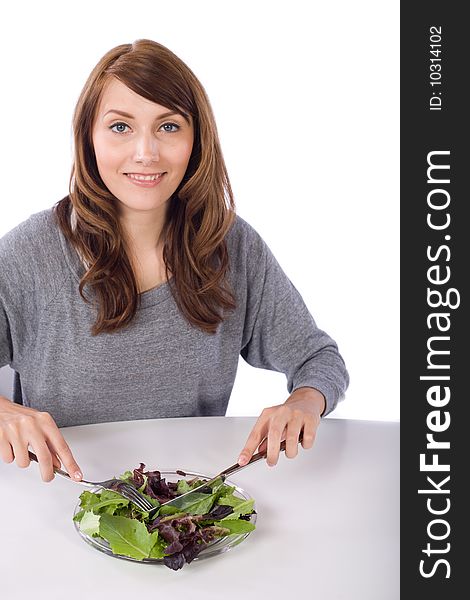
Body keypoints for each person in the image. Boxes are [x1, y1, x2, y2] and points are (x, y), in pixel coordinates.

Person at [0, 39, 349, 484]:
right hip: (58, 505)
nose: (146, 153)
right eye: (120, 127)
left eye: (168, 127)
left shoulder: (232, 247)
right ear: (89, 137)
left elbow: (319, 358)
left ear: (195, 140)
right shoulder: (29, 254)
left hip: (184, 509)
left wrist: (304, 402)